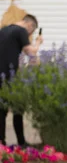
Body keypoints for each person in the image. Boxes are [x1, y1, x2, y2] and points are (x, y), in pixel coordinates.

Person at [0, 14, 43, 146]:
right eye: (32, 31)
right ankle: (21, 142)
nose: (30, 35)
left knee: (1, 110)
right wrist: (38, 42)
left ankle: (1, 143)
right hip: (9, 76)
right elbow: (31, 53)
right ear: (30, 25)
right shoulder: (21, 30)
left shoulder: (4, 29)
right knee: (18, 107)